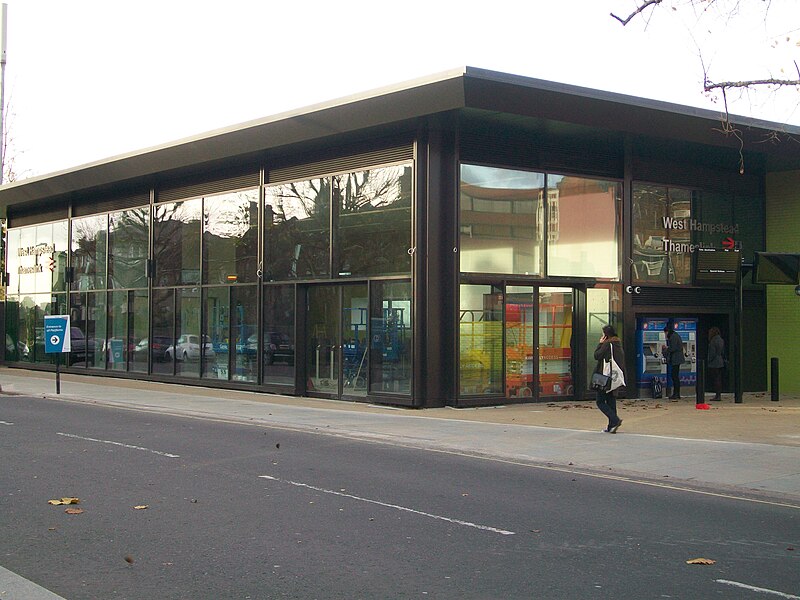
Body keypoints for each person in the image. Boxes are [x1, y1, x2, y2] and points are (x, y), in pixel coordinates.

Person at [593, 325, 625, 433]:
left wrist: (600, 344)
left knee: (600, 401)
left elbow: (597, 355)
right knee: (611, 401)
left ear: (606, 335)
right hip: (615, 377)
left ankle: (615, 420)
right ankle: (611, 427)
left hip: (605, 377)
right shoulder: (618, 344)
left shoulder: (607, 345)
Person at [662, 324, 685, 399]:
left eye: (665, 333)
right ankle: (676, 393)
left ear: (667, 331)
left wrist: (666, 349)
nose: (665, 335)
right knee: (675, 376)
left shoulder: (673, 337)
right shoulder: (675, 335)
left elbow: (673, 348)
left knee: (674, 376)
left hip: (676, 359)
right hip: (676, 359)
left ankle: (676, 393)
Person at [707, 327, 725, 401]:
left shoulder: (713, 341)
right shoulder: (721, 340)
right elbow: (723, 352)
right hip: (720, 361)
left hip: (714, 362)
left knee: (715, 379)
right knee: (719, 379)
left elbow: (712, 353)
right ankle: (718, 394)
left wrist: (708, 360)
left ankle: (717, 396)